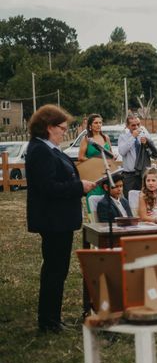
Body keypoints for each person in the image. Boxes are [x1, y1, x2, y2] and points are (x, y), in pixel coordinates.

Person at [25, 104, 96, 333]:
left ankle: (52, 317)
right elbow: (49, 187)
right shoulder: (40, 151)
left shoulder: (50, 149)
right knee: (54, 270)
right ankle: (49, 321)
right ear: (48, 127)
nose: (65, 132)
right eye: (62, 128)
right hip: (52, 220)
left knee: (58, 269)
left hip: (60, 219)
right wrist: (79, 187)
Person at [78, 113, 113, 212]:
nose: (98, 125)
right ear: (90, 125)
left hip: (106, 172)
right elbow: (80, 157)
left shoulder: (106, 137)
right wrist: (95, 162)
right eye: (96, 123)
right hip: (93, 173)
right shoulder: (86, 139)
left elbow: (111, 154)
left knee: (106, 196)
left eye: (100, 123)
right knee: (94, 196)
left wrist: (112, 158)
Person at [118, 114, 151, 197]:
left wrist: (147, 143)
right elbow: (122, 152)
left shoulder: (144, 134)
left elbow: (152, 152)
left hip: (143, 174)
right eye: (133, 125)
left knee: (144, 199)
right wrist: (133, 137)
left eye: (138, 124)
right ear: (127, 126)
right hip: (130, 175)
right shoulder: (123, 137)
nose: (136, 127)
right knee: (129, 200)